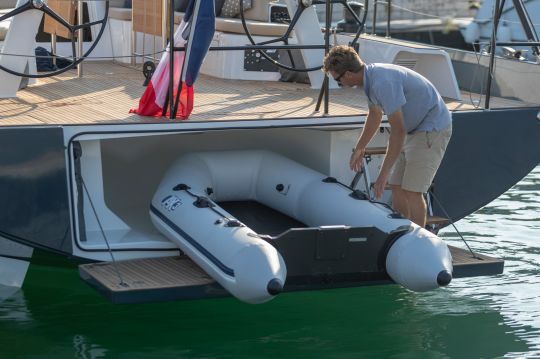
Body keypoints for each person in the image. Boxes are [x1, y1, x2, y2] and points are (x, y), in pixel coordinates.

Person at [322, 45, 452, 227]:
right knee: (397, 187)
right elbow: (375, 115)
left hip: (431, 128)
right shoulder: (370, 78)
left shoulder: (382, 82)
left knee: (413, 191)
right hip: (413, 129)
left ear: (348, 74)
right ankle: (402, 231)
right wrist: (360, 147)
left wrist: (383, 174)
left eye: (338, 80)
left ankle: (419, 241)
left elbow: (398, 131)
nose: (340, 84)